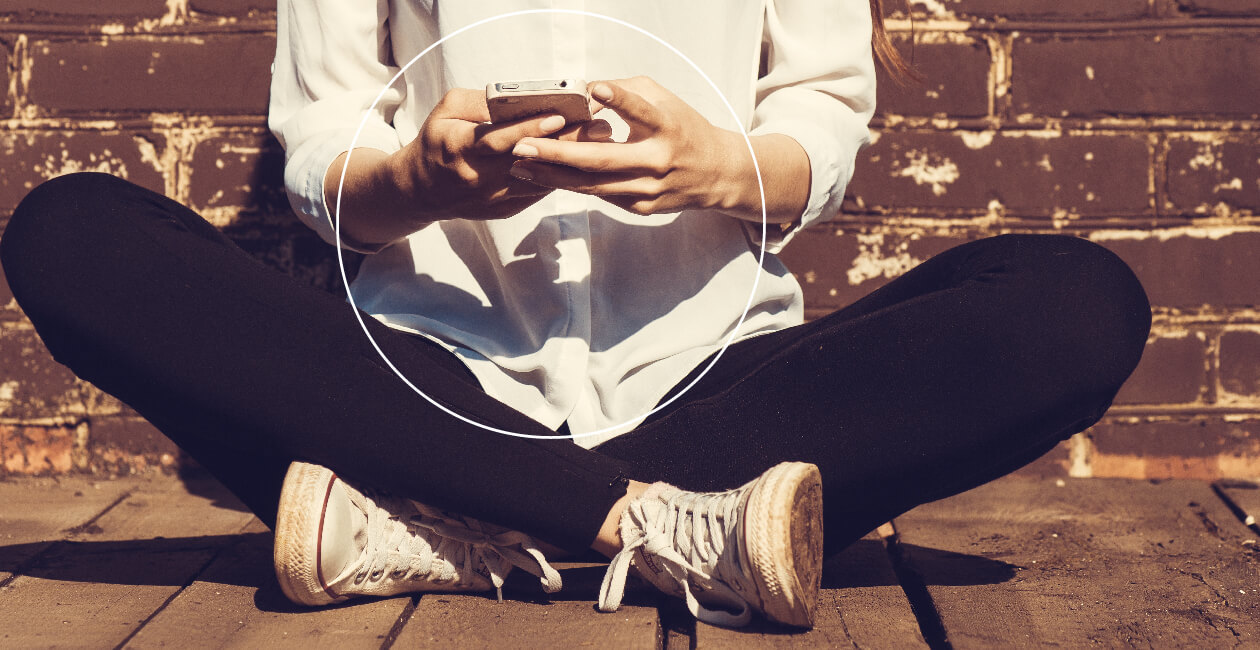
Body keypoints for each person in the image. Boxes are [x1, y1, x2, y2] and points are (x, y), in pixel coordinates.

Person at [0, 0, 1151, 630]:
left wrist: (722, 167)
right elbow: (323, 133)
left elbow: (824, 108)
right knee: (71, 231)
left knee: (1075, 303)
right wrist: (420, 182)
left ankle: (452, 532)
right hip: (421, 383)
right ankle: (663, 530)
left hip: (716, 382)